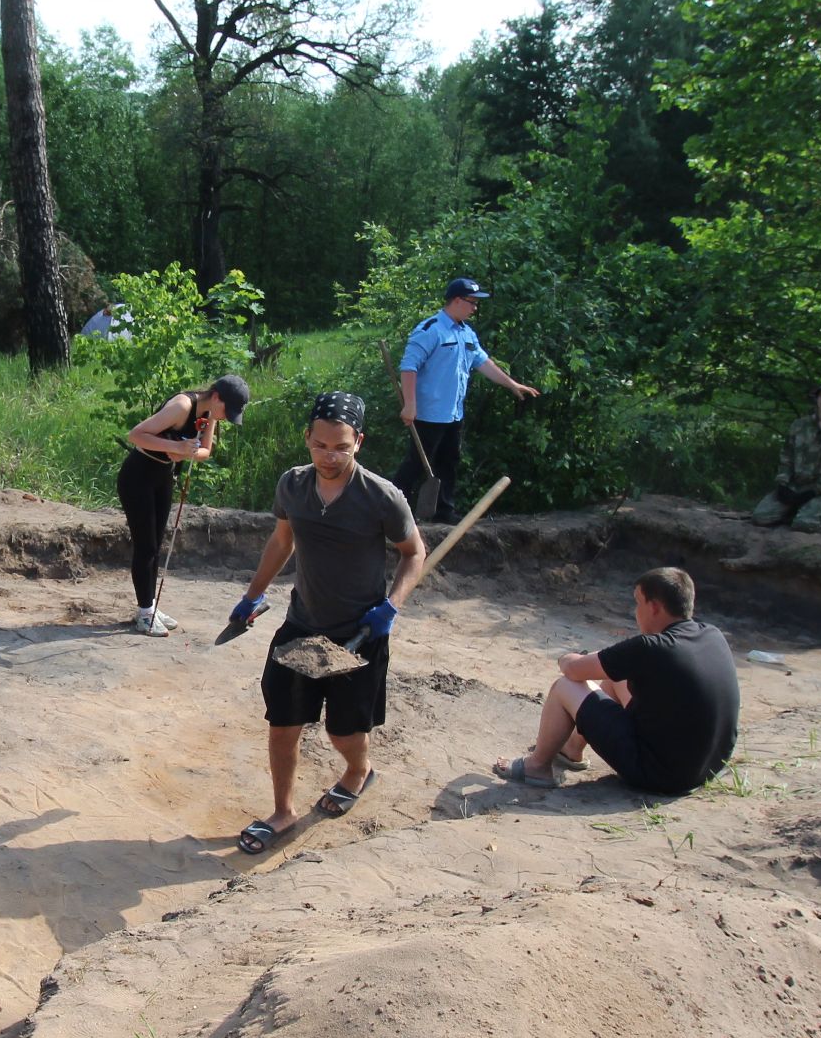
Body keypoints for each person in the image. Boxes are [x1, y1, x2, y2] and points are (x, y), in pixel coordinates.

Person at [230, 392, 426, 854]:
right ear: (308, 440)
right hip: (304, 626)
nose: (329, 456)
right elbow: (282, 543)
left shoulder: (381, 497)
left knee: (343, 731)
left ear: (358, 441)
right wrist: (252, 595)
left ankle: (358, 772)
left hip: (358, 634)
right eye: (320, 445)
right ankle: (283, 811)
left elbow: (414, 553)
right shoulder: (293, 487)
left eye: (340, 446)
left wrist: (391, 606)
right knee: (284, 722)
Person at [494, 567, 740, 796]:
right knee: (616, 679)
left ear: (654, 607)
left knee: (564, 687)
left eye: (638, 602)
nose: (636, 612)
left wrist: (566, 658)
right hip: (706, 768)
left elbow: (573, 670)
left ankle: (536, 767)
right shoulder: (712, 634)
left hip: (662, 777)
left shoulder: (651, 648)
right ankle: (571, 749)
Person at [393, 277, 540, 524]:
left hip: (453, 413)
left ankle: (443, 510)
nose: (475, 308)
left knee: (449, 462)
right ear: (457, 301)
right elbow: (409, 368)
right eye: (472, 302)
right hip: (429, 412)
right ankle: (393, 510)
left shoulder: (466, 333)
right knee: (417, 463)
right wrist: (410, 404)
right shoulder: (430, 330)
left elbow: (483, 362)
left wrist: (512, 385)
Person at [119, 374, 249, 636]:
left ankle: (149, 606)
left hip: (163, 477)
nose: (225, 417)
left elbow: (204, 451)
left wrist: (187, 451)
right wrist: (174, 445)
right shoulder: (182, 406)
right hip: (137, 477)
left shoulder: (210, 414)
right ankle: (145, 613)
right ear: (216, 397)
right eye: (227, 410)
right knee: (146, 546)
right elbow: (136, 435)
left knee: (156, 544)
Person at [752, 379, 821, 532]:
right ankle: (791, 511)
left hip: (820, 491)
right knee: (760, 517)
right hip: (793, 485)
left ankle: (811, 513)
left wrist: (815, 491)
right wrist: (783, 483)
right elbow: (786, 455)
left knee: (805, 525)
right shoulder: (800, 425)